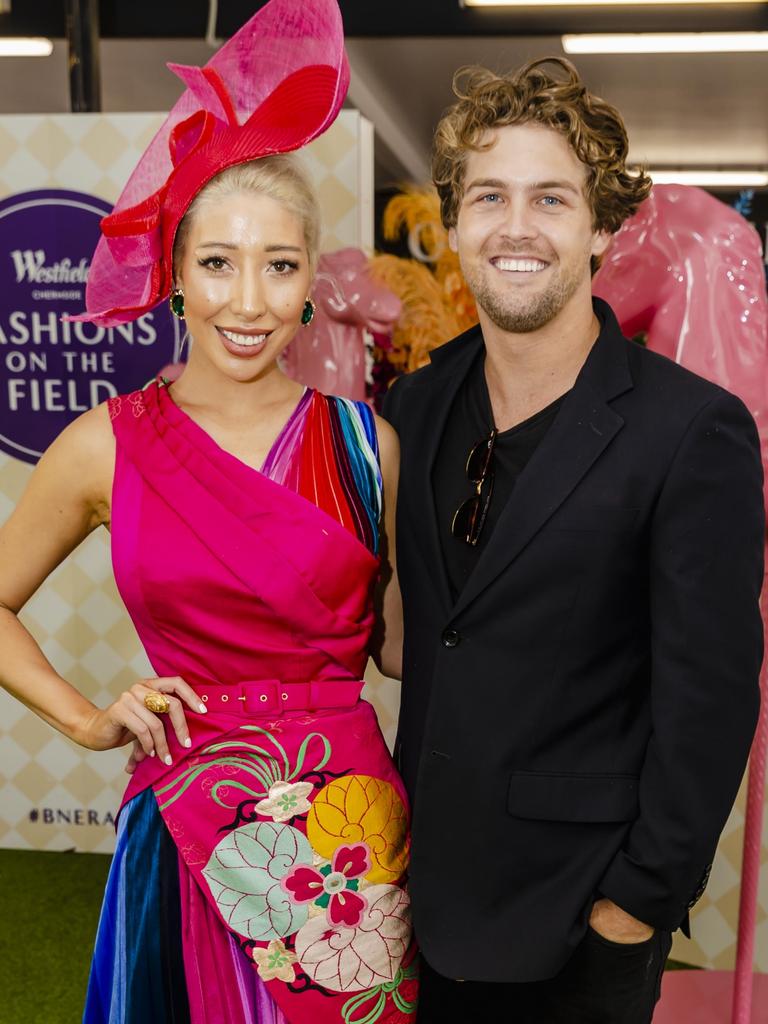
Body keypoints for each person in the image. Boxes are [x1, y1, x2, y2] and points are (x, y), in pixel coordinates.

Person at [0, 3, 417, 1022]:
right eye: (218, 263)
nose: (249, 299)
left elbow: (410, 649)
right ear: (175, 275)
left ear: (310, 281)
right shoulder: (106, 440)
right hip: (181, 817)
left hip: (345, 832)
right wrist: (91, 720)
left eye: (279, 265)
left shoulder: (369, 445)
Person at [383, 57, 764, 1024]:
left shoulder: (692, 431)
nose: (515, 227)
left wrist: (634, 905)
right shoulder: (414, 407)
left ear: (601, 228)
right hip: (410, 901)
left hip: (577, 924)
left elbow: (711, 702)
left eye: (550, 198)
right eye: (489, 197)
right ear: (456, 221)